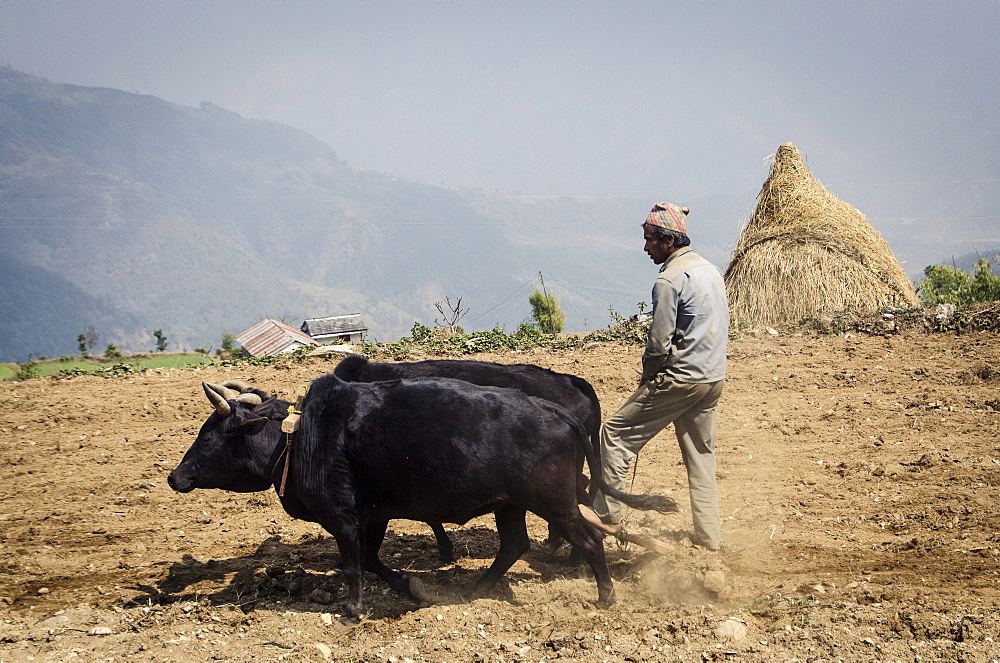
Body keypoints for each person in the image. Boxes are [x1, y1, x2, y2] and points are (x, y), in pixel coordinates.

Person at [582, 202, 729, 551]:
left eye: (649, 240)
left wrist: (648, 377)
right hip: (712, 378)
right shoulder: (710, 270)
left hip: (680, 378)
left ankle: (605, 518)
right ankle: (710, 538)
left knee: (614, 435)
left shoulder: (668, 280)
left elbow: (659, 344)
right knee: (701, 456)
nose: (645, 247)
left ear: (667, 240)